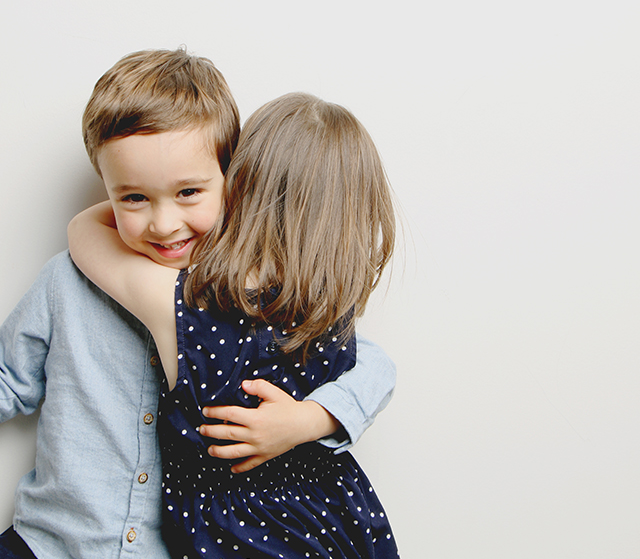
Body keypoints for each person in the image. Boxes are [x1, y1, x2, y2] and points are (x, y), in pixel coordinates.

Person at [0, 50, 396, 558]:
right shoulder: (66, 281)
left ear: (234, 182)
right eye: (133, 198)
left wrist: (311, 418)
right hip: (49, 543)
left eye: (188, 192)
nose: (164, 225)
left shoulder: (249, 302)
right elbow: (10, 380)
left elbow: (369, 362)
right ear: (107, 190)